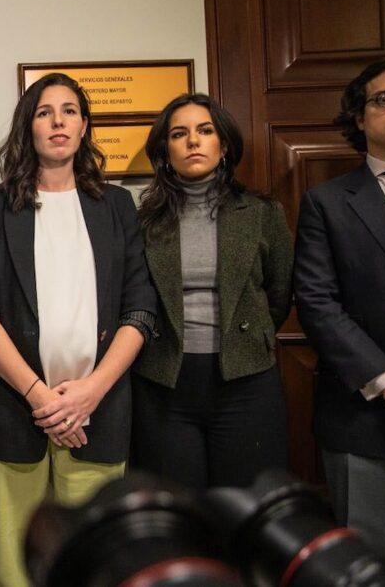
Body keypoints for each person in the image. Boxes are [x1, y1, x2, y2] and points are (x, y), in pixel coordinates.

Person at [0, 73, 156, 587]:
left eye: (70, 110)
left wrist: (88, 394)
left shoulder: (117, 205)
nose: (58, 121)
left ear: (84, 125)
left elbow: (140, 310)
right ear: (28, 127)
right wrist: (42, 399)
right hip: (9, 407)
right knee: (10, 566)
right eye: (45, 112)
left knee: (92, 562)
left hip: (98, 409)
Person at [294, 54, 385, 581]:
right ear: (359, 115)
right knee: (366, 573)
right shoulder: (326, 202)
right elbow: (317, 303)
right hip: (363, 416)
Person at [131, 93, 293, 489]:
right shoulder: (144, 220)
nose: (193, 141)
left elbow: (279, 292)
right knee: (179, 509)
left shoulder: (261, 212)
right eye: (179, 134)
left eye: (205, 131)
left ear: (223, 145)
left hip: (246, 380)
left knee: (246, 508)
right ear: (165, 152)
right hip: (164, 383)